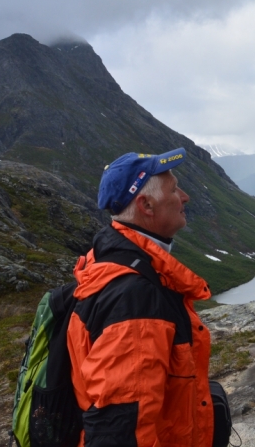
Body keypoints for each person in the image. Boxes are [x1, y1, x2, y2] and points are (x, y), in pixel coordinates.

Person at [67, 148, 214, 446]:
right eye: (174, 189)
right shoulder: (135, 299)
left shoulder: (109, 259)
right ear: (146, 205)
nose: (185, 197)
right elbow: (120, 429)